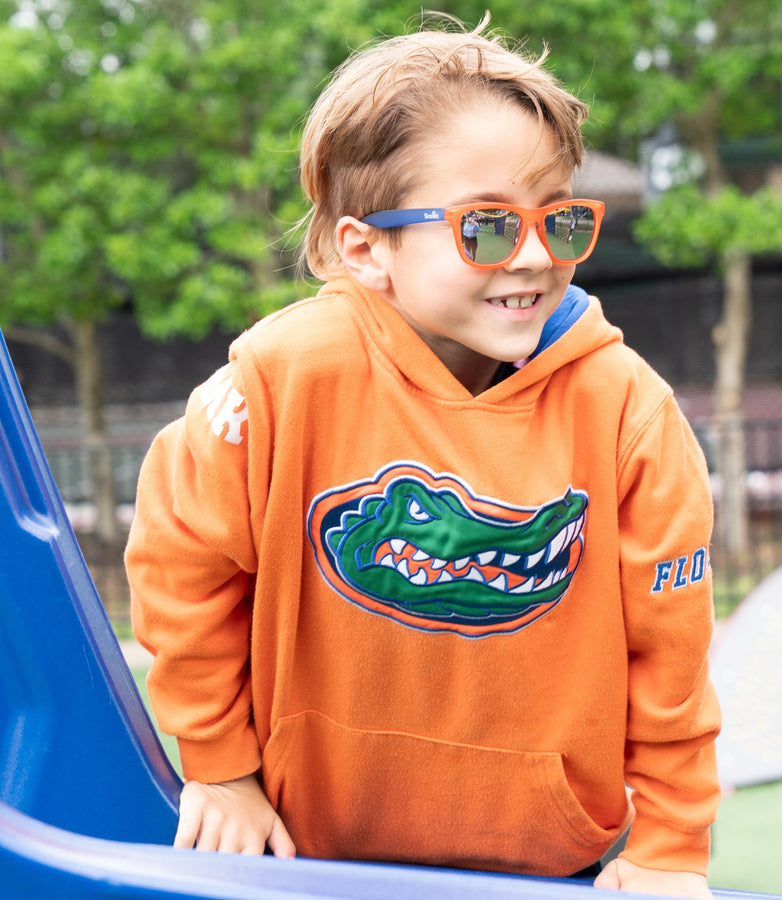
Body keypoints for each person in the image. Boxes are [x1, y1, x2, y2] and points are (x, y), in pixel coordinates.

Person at [126, 15, 721, 899]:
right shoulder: (280, 379)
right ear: (367, 248)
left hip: (547, 864)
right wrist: (220, 765)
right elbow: (183, 564)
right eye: (485, 227)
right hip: (307, 854)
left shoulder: (625, 408)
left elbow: (670, 655)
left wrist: (670, 844)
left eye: (558, 221)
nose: (533, 256)